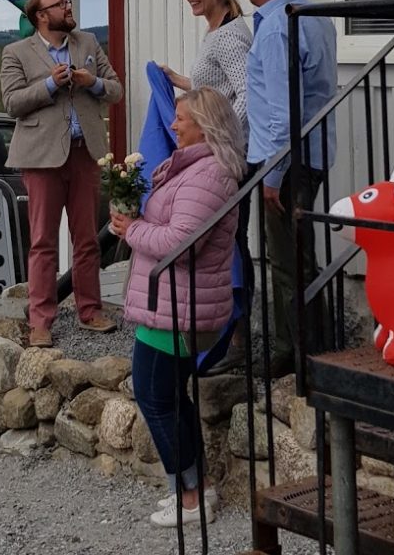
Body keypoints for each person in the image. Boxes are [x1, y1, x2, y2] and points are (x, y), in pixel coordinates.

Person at [110, 87, 246, 528]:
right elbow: (171, 228)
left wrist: (133, 231)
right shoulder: (196, 168)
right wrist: (135, 222)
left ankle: (192, 498)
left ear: (204, 125)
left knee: (154, 397)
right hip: (172, 302)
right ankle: (191, 488)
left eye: (181, 118)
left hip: (180, 307)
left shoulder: (209, 175)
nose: (172, 124)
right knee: (169, 397)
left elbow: (180, 243)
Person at [0, 0, 123, 347]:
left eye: (67, 2)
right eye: (60, 4)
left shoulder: (86, 43)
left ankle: (91, 310)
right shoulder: (16, 53)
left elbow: (115, 89)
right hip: (41, 159)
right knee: (42, 241)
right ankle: (40, 321)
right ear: (41, 15)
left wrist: (93, 82)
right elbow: (12, 103)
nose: (68, 7)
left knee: (87, 238)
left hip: (85, 153)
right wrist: (51, 84)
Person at [237, 0, 337, 378]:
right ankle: (315, 345)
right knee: (301, 255)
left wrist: (273, 174)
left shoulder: (277, 27)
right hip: (311, 151)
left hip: (286, 160)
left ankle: (296, 354)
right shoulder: (312, 11)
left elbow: (282, 112)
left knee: (286, 261)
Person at [161, 0, 253, 373]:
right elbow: (218, 89)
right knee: (226, 245)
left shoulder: (230, 36)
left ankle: (237, 338)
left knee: (230, 246)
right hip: (223, 152)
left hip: (229, 156)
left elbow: (248, 94)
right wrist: (182, 83)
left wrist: (220, 139)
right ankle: (227, 333)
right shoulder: (216, 33)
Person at [161, 0, 251, 131]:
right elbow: (216, 87)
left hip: (227, 149)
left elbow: (248, 93)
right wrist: (174, 78)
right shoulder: (214, 30)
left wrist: (223, 135)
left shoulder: (228, 36)